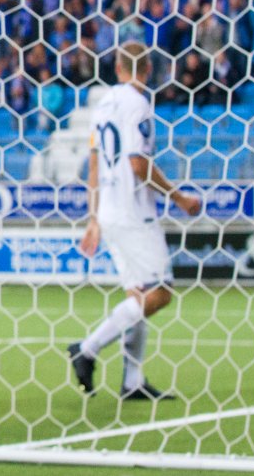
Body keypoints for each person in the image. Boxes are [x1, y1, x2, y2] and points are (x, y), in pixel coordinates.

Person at [69, 42, 201, 400]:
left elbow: (94, 166)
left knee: (137, 295)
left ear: (117, 69)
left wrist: (94, 218)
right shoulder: (138, 104)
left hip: (109, 211)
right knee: (161, 291)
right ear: (147, 70)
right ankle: (88, 348)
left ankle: (132, 381)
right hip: (133, 212)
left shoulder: (102, 106)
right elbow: (138, 164)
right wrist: (180, 198)